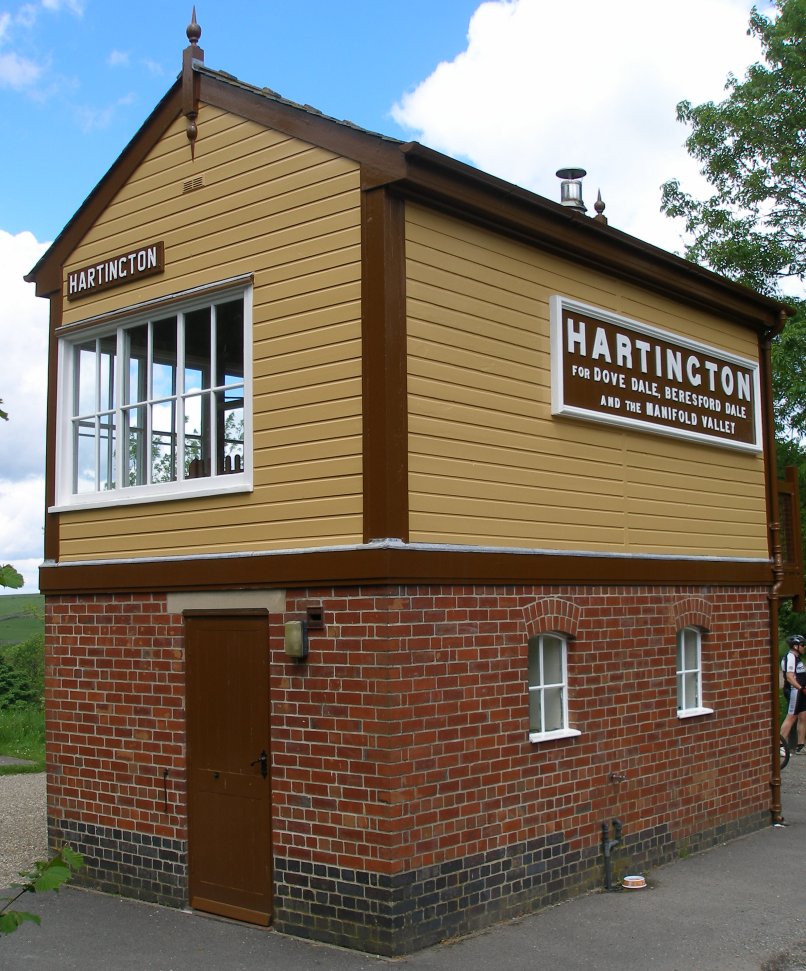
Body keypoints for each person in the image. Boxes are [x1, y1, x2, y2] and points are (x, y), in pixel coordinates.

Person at [781, 634, 806, 753]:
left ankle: (800, 745)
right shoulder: (790, 657)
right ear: (795, 646)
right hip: (794, 690)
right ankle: (780, 745)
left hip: (801, 691)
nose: (804, 647)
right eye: (802, 645)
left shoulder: (797, 657)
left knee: (803, 716)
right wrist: (801, 688)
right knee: (791, 717)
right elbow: (790, 677)